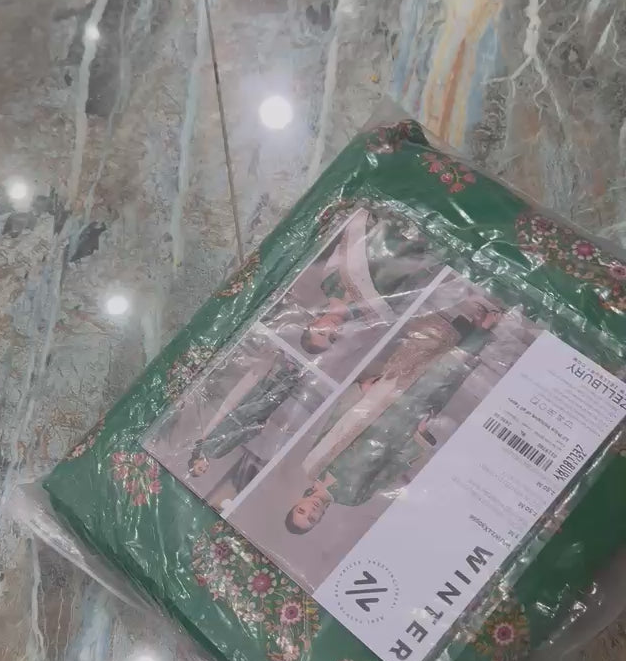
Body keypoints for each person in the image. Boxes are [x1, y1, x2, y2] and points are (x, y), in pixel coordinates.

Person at [284, 299, 502, 533]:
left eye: (302, 511)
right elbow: (392, 469)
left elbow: (332, 424)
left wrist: (358, 392)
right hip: (401, 423)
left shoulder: (311, 466)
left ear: (298, 503)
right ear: (320, 520)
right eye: (312, 518)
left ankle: (472, 325)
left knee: (422, 357)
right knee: (441, 375)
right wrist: (418, 438)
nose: (312, 510)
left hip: (375, 402)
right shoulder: (352, 497)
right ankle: (483, 330)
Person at [300, 210, 441, 355]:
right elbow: (408, 286)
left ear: (312, 323)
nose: (332, 328)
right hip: (420, 245)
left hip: (391, 224)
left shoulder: (328, 283)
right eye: (333, 337)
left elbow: (348, 245)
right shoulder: (372, 317)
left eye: (322, 332)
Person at [188, 355, 303, 477]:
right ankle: (287, 369)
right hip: (237, 413)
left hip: (244, 420)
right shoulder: (203, 442)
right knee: (264, 392)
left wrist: (254, 428)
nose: (205, 468)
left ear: (195, 462)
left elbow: (235, 437)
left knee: (269, 401)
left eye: (200, 468)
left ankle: (293, 375)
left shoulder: (212, 452)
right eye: (204, 471)